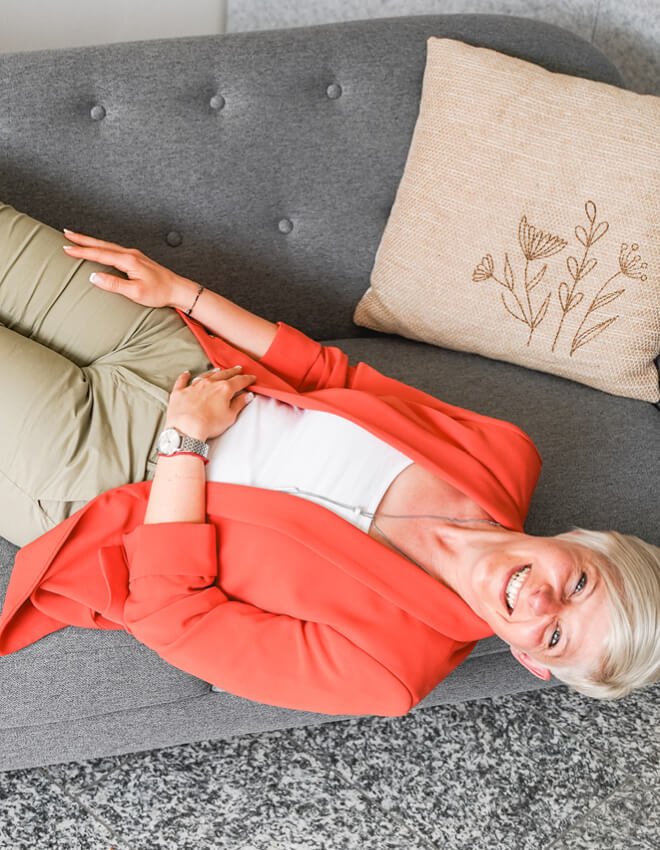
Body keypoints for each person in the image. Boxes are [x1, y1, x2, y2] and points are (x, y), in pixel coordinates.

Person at [0, 211, 658, 715]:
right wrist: (184, 292)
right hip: (182, 354)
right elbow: (328, 374)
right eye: (581, 585)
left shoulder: (390, 670)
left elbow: (173, 616)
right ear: (584, 541)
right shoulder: (501, 454)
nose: (542, 601)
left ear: (532, 662)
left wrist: (186, 443)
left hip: (104, 476)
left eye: (555, 637)